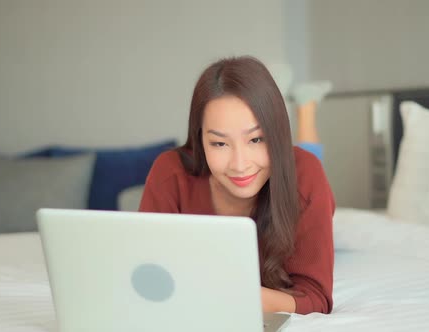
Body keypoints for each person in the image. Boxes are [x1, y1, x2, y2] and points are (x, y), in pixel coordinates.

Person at [138, 56, 335, 315]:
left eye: (256, 139)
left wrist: (231, 295)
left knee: (306, 159)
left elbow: (316, 298)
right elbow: (144, 277)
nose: (240, 165)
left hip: (296, 187)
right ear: (200, 139)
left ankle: (305, 107)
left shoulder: (306, 174)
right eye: (220, 143)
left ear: (274, 134)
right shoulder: (170, 174)